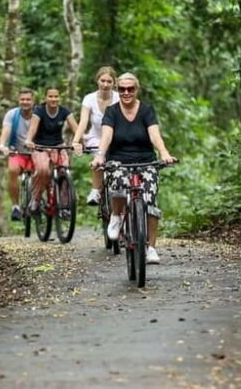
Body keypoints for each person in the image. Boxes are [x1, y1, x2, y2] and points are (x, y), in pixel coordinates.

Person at [91, 73, 176, 264]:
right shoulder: (112, 112)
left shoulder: (146, 110)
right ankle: (116, 216)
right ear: (117, 90)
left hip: (146, 161)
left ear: (137, 90)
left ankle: (151, 248)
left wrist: (164, 153)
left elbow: (155, 135)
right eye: (122, 89)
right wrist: (100, 155)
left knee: (150, 202)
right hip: (119, 161)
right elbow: (106, 136)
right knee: (118, 185)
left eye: (130, 89)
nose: (126, 92)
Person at [25, 87, 78, 212]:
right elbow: (32, 128)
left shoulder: (64, 111)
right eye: (50, 96)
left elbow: (76, 128)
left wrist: (81, 141)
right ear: (45, 98)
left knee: (64, 169)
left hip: (58, 146)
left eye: (56, 96)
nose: (53, 99)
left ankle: (64, 204)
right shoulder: (39, 111)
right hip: (40, 147)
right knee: (43, 170)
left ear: (59, 98)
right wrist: (28, 140)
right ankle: (36, 198)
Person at [72, 66, 120, 206]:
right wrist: (76, 141)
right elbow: (83, 121)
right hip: (96, 137)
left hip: (116, 137)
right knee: (99, 158)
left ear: (114, 83)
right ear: (97, 81)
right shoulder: (89, 99)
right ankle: (95, 190)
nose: (105, 84)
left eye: (109, 81)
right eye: (102, 80)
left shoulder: (118, 98)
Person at [0, 89, 36, 221]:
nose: (25, 102)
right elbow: (6, 130)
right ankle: (15, 206)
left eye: (28, 99)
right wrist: (2, 145)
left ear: (33, 101)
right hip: (17, 151)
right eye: (22, 99)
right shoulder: (12, 115)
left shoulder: (38, 115)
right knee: (12, 171)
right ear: (18, 101)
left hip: (36, 152)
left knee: (44, 173)